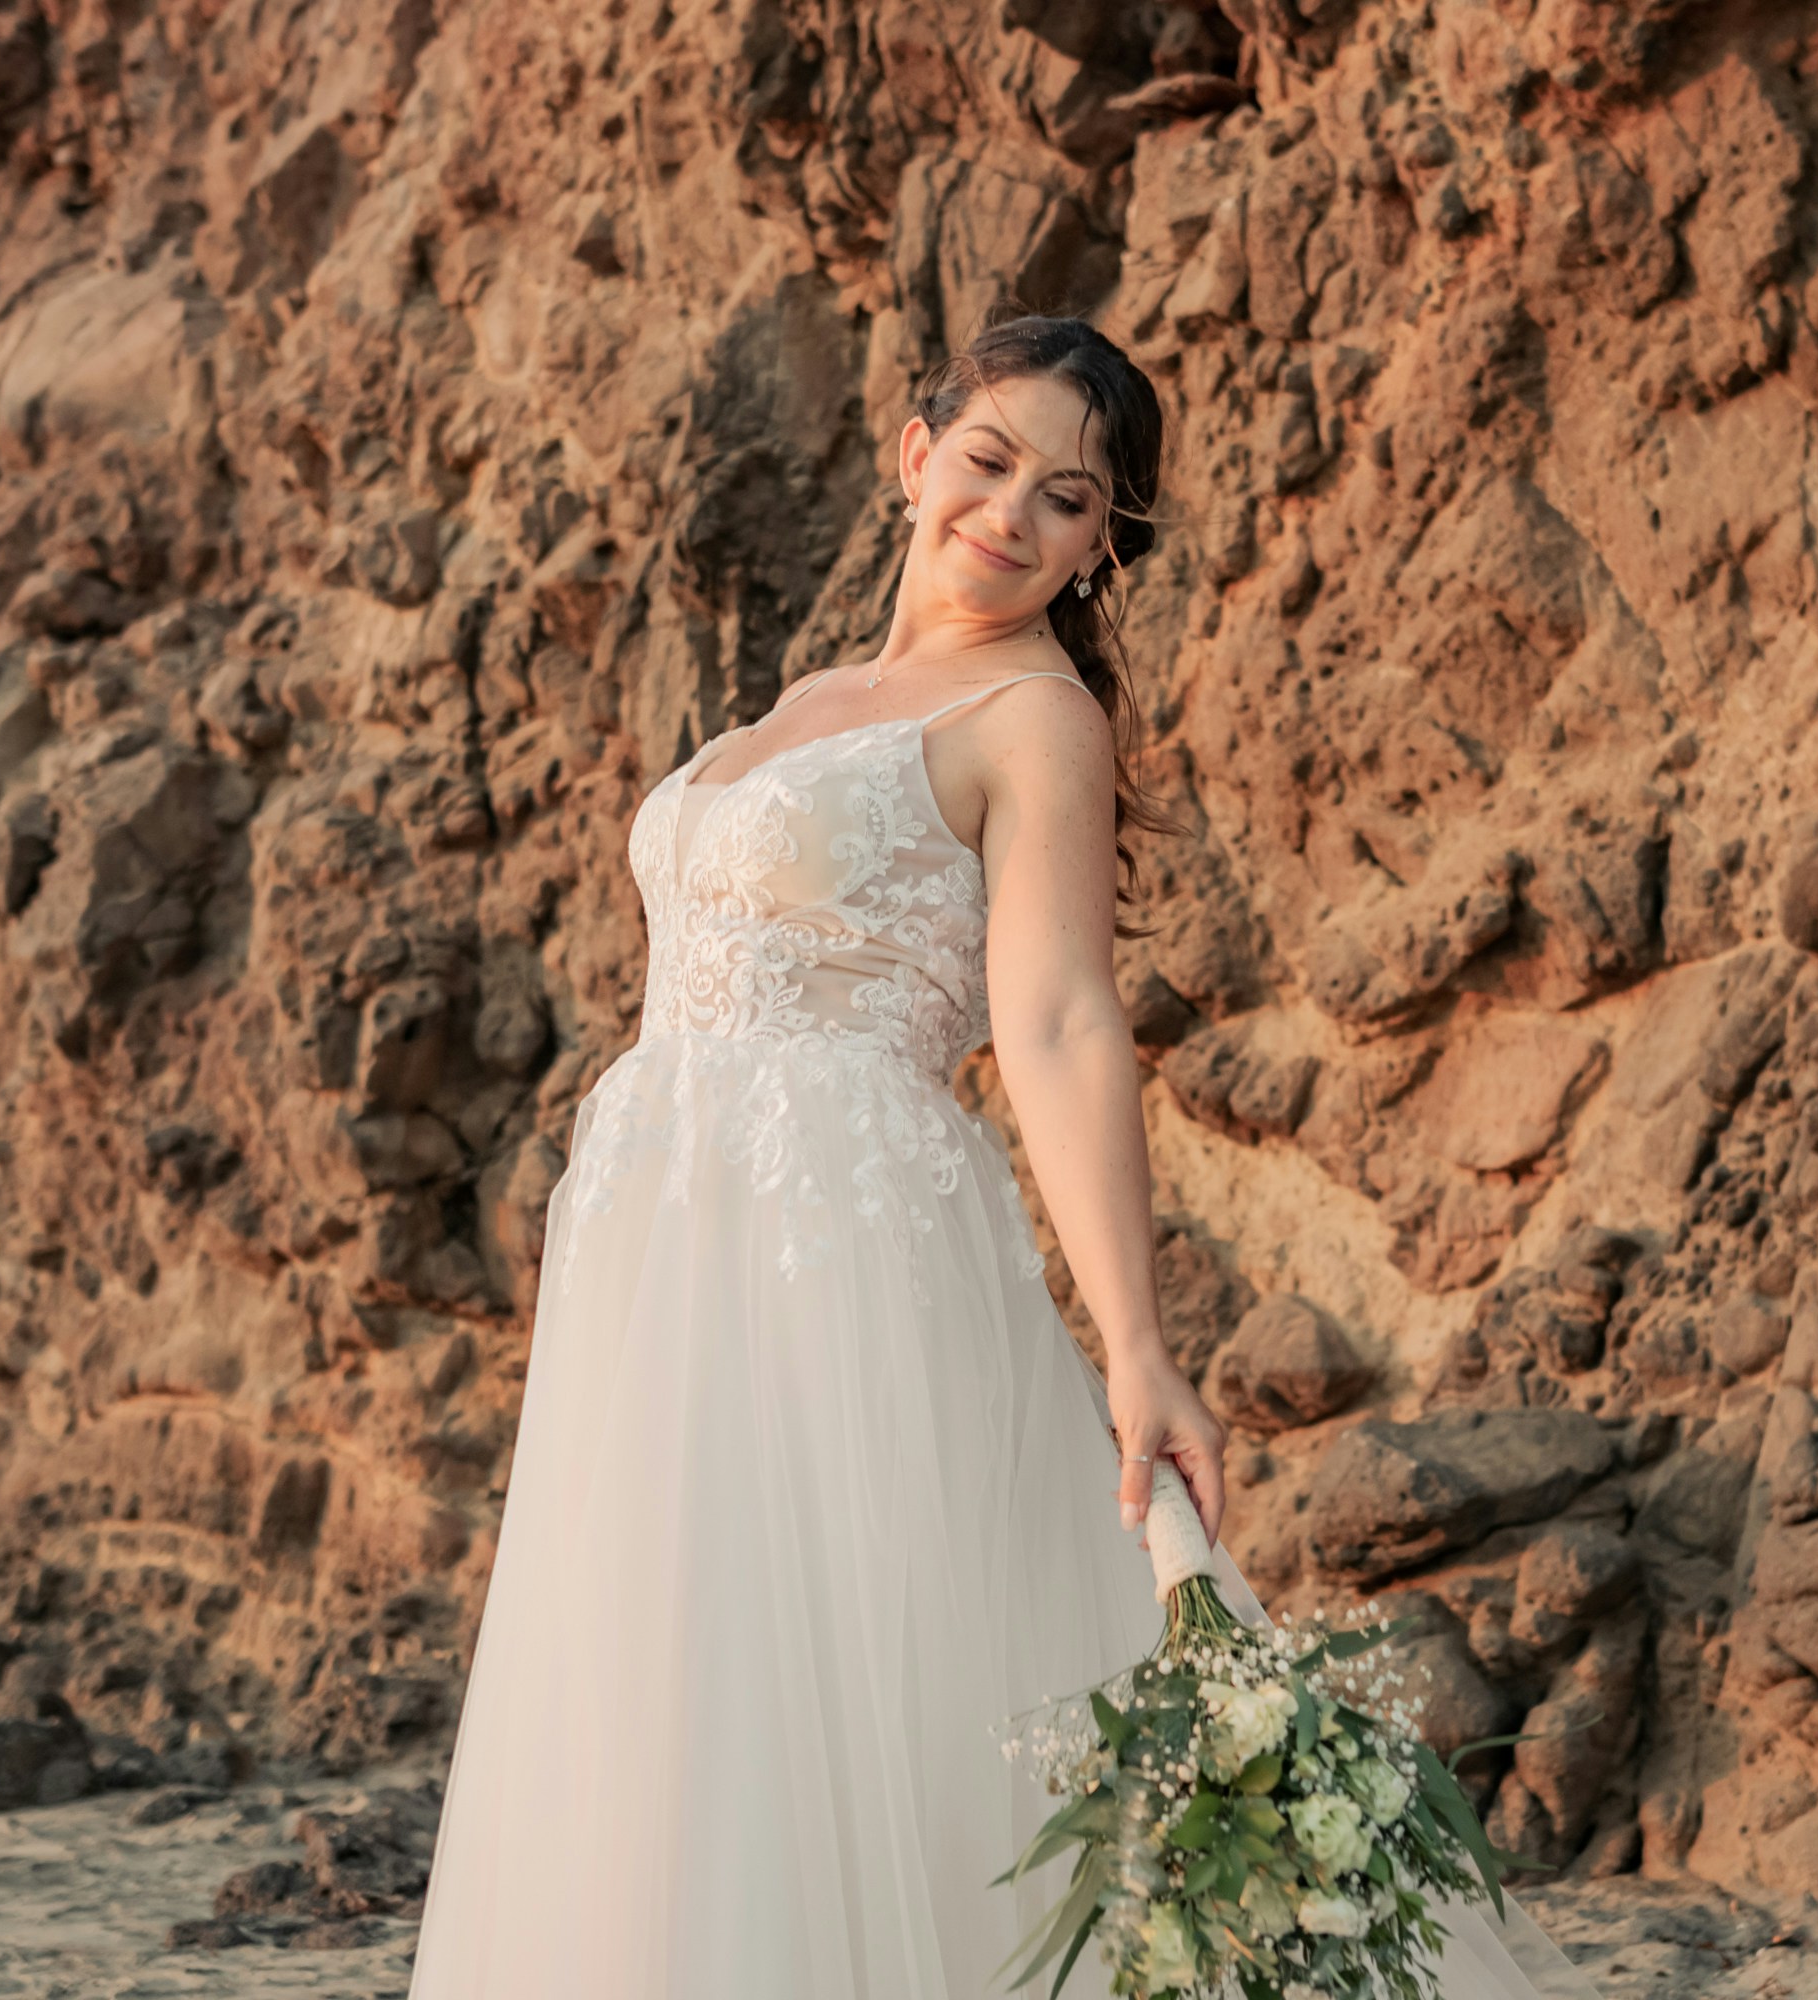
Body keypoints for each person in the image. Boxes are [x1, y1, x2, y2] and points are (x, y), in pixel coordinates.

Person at [404, 314, 1589, 1997]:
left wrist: (1142, 1349)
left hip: (836, 1220)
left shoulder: (1037, 718)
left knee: (841, 1670)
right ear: (914, 450)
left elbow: (1058, 1028)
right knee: (675, 1680)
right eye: (988, 462)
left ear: (1103, 545)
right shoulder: (819, 697)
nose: (1011, 515)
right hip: (669, 1239)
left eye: (1069, 499)